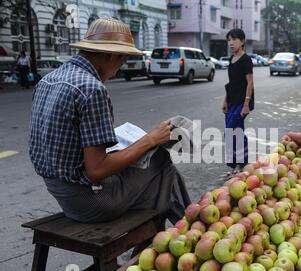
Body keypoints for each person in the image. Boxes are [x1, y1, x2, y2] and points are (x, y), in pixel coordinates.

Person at [29, 18, 191, 223]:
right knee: (162, 161)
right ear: (112, 56)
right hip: (90, 201)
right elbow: (97, 171)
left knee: (159, 184)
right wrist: (151, 139)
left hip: (60, 193)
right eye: (121, 62)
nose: (118, 71)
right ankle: (191, 229)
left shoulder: (47, 80)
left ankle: (167, 237)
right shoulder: (92, 88)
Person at [222, 28, 254, 175]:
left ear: (242, 41)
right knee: (233, 132)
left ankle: (240, 164)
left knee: (232, 131)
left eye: (234, 39)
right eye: (229, 40)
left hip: (242, 102)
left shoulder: (246, 59)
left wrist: (246, 104)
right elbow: (232, 83)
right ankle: (237, 164)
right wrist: (225, 100)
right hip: (232, 101)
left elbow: (250, 83)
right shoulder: (231, 59)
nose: (231, 43)